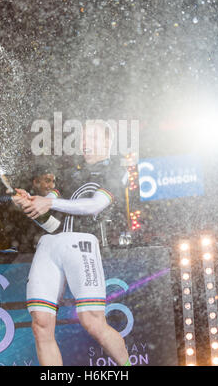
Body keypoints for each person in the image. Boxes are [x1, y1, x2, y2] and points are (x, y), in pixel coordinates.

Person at [13, 121, 130, 366]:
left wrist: (49, 204)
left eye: (92, 138)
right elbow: (51, 223)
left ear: (108, 142)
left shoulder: (115, 169)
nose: (85, 144)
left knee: (92, 320)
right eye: (83, 139)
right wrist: (31, 204)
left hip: (83, 244)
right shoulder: (69, 175)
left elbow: (94, 205)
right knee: (41, 324)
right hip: (49, 245)